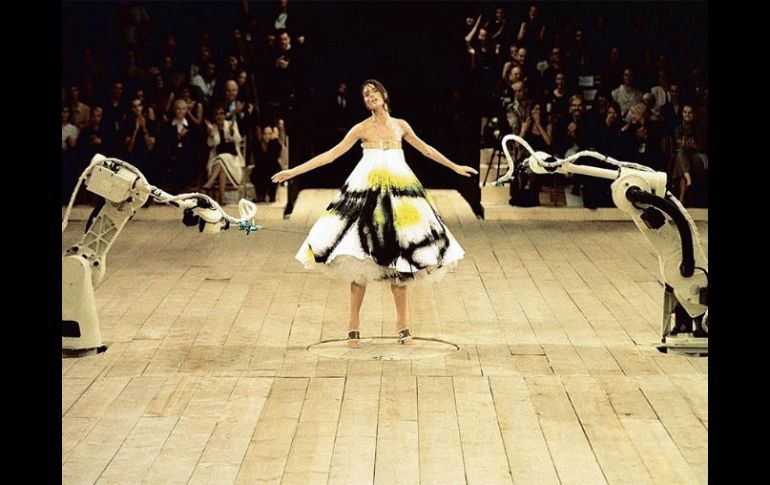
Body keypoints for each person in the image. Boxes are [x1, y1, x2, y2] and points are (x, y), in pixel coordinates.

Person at [272, 80, 477, 348]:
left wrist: (455, 167)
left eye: (374, 92)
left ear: (384, 94)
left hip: (400, 197)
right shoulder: (361, 128)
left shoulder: (400, 125)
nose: (370, 97)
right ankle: (353, 326)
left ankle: (403, 326)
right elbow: (331, 155)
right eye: (366, 95)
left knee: (401, 263)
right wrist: (293, 172)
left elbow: (426, 149)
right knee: (361, 261)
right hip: (368, 193)